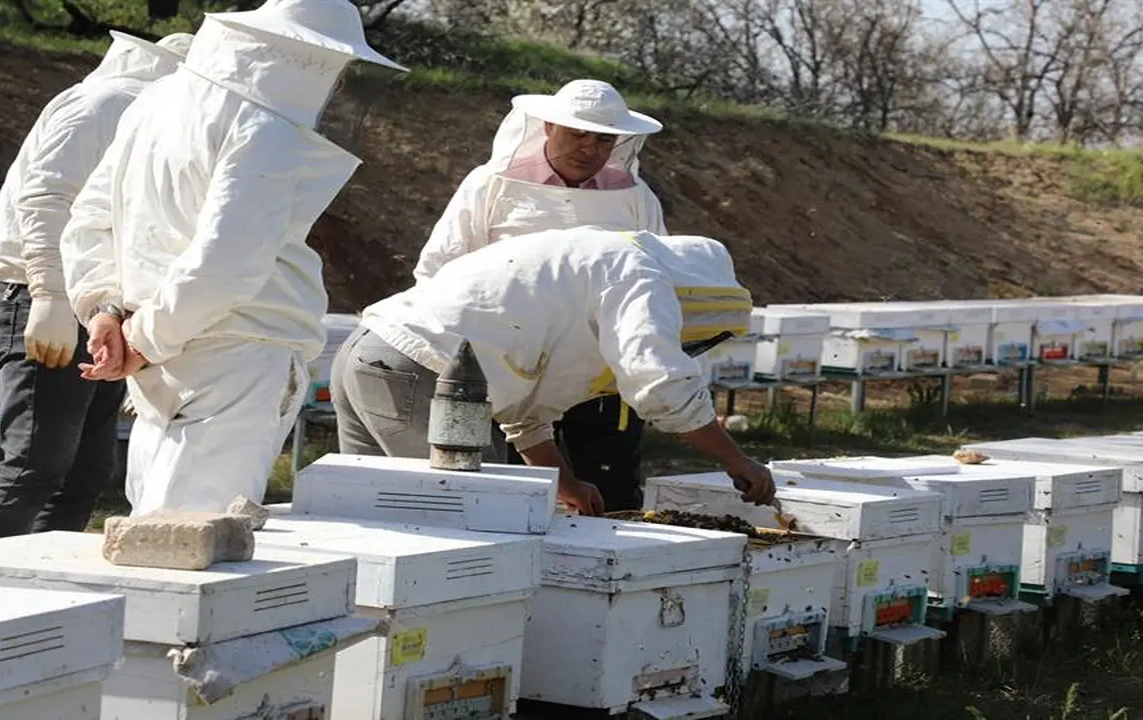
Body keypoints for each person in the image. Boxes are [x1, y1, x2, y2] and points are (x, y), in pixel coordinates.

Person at [61, 0, 407, 516]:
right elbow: (227, 261)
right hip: (240, 349)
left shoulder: (157, 100)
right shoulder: (266, 129)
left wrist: (104, 309)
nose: (336, 86)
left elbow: (91, 220)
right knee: (194, 534)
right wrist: (139, 336)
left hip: (160, 343)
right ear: (308, 58)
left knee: (153, 528)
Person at [332, 228, 776, 515]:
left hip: (369, 357)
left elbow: (523, 408)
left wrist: (565, 482)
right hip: (426, 374)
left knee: (378, 520)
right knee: (473, 527)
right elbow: (662, 386)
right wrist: (737, 460)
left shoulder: (588, 267)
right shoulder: (640, 274)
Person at [0, 31, 194, 542]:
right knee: (35, 465)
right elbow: (46, 199)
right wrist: (51, 295)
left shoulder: (139, 112)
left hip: (93, 307)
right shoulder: (105, 104)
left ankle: (31, 594)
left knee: (83, 473)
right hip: (38, 295)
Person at [413, 79, 669, 511]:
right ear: (548, 127)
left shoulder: (634, 198)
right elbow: (439, 268)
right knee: (511, 490)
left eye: (604, 139)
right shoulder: (490, 186)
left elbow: (658, 275)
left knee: (610, 487)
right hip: (507, 366)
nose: (589, 147)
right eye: (577, 133)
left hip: (599, 371)